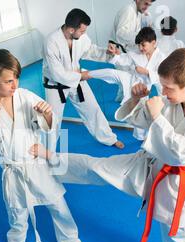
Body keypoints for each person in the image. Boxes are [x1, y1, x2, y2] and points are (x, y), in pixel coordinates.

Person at [30, 49, 185, 242]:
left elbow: (182, 153)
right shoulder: (175, 97)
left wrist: (157, 117)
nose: (163, 93)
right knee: (95, 167)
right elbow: (143, 120)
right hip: (147, 163)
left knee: (179, 230)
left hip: (176, 179)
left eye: (168, 89)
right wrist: (135, 101)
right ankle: (50, 159)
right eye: (161, 87)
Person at [0, 49, 85, 242]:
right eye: (7, 81)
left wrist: (47, 115)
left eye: (16, 78)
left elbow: (47, 127)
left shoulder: (24, 96)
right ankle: (16, 236)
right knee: (16, 208)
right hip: (12, 168)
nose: (14, 85)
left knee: (56, 202)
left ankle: (71, 238)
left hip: (35, 163)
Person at [42, 8, 124, 150]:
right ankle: (45, 150)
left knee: (93, 109)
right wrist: (82, 76)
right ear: (71, 30)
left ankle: (108, 138)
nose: (84, 33)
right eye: (82, 31)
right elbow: (57, 73)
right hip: (56, 85)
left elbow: (90, 51)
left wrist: (108, 53)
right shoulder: (51, 42)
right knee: (52, 119)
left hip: (77, 79)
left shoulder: (80, 38)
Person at [90, 27, 167, 140]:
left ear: (153, 43)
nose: (140, 48)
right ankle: (140, 137)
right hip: (133, 82)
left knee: (153, 110)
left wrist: (146, 72)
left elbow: (163, 75)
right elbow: (123, 59)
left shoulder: (161, 57)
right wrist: (115, 54)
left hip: (152, 86)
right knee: (137, 108)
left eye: (143, 45)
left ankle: (154, 134)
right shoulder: (136, 53)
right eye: (139, 45)